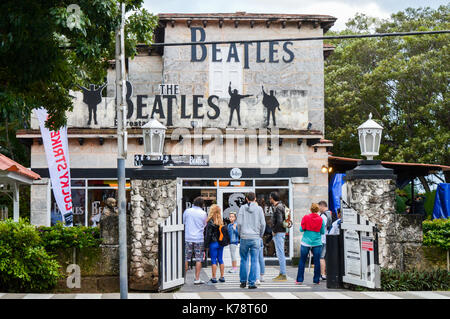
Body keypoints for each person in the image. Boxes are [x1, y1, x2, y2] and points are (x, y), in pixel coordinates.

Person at [238, 192, 266, 289]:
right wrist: (260, 235)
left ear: (246, 199)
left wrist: (240, 234)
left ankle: (242, 281)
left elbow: (239, 223)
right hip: (255, 237)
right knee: (254, 260)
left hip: (244, 237)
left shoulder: (242, 208)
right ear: (255, 199)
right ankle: (251, 283)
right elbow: (263, 224)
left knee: (244, 259)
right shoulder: (259, 209)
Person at [296, 203, 326, 285]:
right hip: (317, 243)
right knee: (317, 262)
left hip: (306, 242)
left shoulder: (306, 217)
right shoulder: (320, 219)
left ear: (310, 209)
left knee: (302, 260)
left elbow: (301, 229)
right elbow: (322, 232)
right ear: (317, 210)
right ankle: (316, 280)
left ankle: (299, 280)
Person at [183, 196, 207, 285]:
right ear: (202, 204)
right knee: (198, 259)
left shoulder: (187, 211)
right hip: (199, 238)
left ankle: (183, 279)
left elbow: (184, 222)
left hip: (188, 238)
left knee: (186, 258)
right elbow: (204, 224)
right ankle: (197, 279)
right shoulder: (203, 213)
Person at [204, 204, 226, 284]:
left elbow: (208, 235)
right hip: (220, 243)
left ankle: (213, 277)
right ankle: (222, 277)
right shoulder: (221, 221)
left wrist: (206, 245)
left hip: (213, 243)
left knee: (213, 260)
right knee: (220, 259)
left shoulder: (210, 221)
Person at [269, 191, 287, 281]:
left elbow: (279, 221)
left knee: (280, 254)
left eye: (270, 198)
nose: (269, 199)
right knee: (280, 253)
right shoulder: (280, 206)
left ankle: (283, 274)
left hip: (279, 233)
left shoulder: (278, 207)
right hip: (280, 232)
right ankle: (282, 273)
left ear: (273, 198)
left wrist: (274, 231)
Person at [318, 200, 332, 281]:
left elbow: (320, 228)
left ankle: (323, 274)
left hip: (322, 239)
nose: (319, 209)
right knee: (324, 257)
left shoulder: (323, 216)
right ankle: (325, 273)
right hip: (327, 238)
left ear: (322, 206)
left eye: (319, 207)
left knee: (321, 257)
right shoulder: (330, 214)